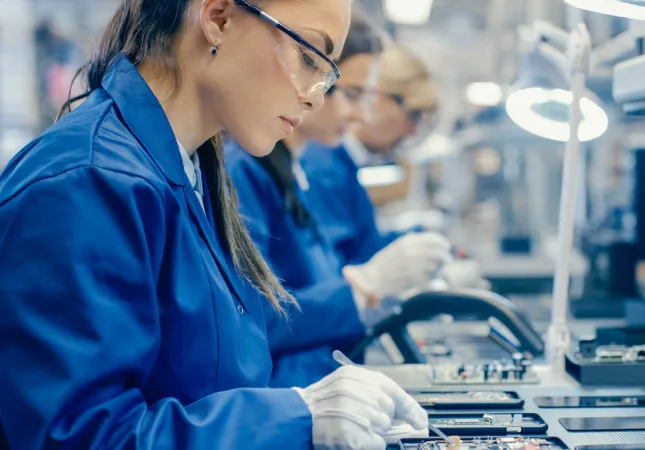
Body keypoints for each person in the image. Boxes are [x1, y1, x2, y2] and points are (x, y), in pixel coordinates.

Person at [0, 0, 427, 449]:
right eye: (308, 57)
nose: (316, 95)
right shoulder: (86, 184)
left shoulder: (193, 172)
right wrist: (295, 416)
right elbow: (83, 438)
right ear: (218, 18)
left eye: (327, 73)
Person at [225, 10, 452, 388]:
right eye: (350, 94)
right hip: (287, 393)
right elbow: (257, 322)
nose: (360, 114)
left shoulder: (292, 174)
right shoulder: (246, 173)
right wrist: (363, 286)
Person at [300, 44, 489, 288]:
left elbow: (360, 244)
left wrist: (413, 239)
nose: (412, 130)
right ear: (376, 98)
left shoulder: (342, 165)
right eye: (413, 115)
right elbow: (337, 272)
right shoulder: (323, 167)